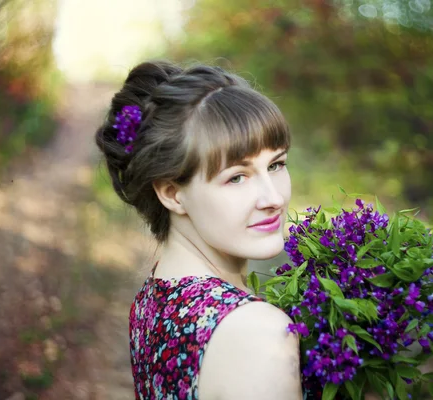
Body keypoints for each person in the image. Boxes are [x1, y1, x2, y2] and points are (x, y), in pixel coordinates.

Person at [94, 60, 301, 400]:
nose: (274, 198)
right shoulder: (258, 332)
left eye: (276, 165)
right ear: (173, 194)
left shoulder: (155, 298)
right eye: (237, 176)